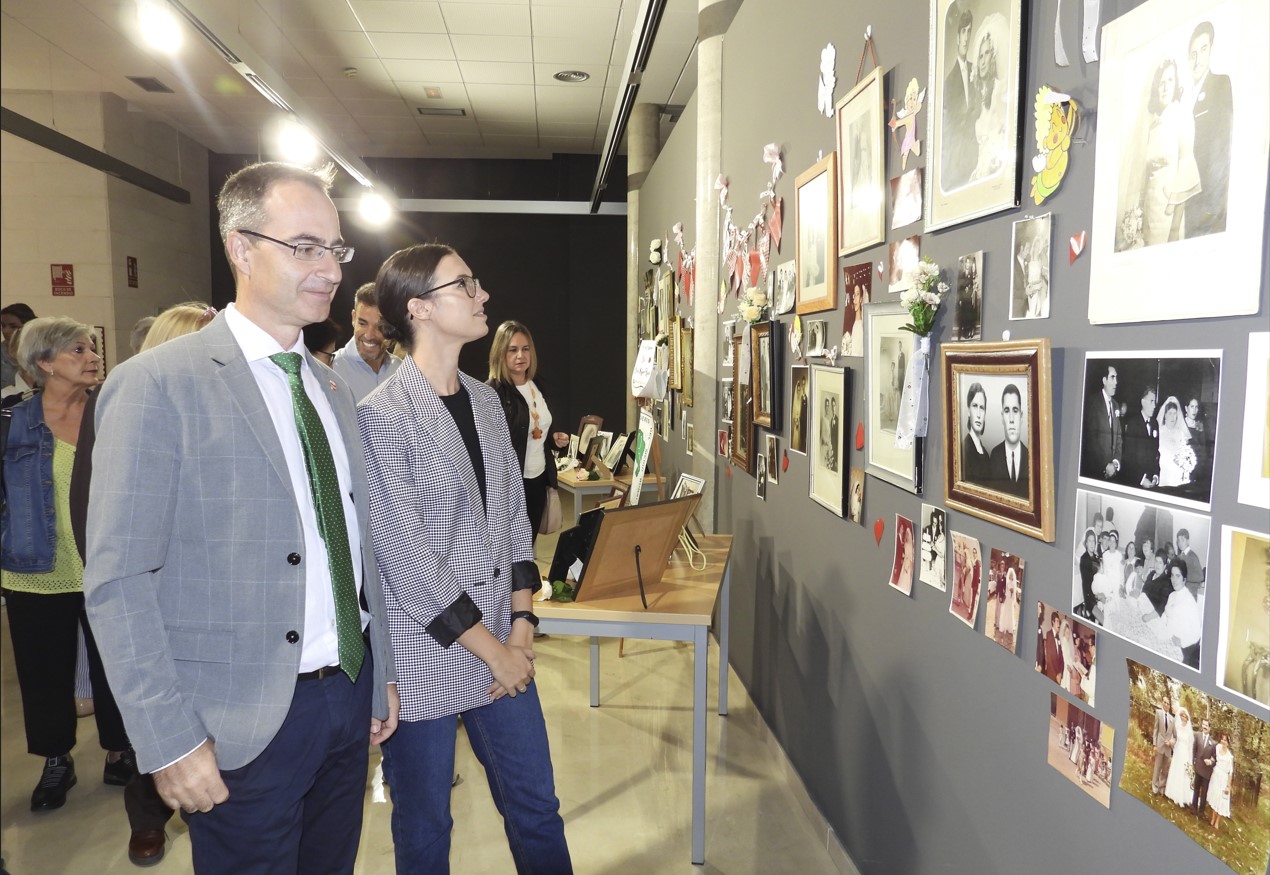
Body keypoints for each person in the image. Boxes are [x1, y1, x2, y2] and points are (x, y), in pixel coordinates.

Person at [85, 161, 399, 873]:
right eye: (305, 246)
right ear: (241, 247)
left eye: (337, 249)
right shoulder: (157, 386)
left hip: (345, 705)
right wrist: (165, 738)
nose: (328, 269)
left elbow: (353, 545)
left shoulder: (330, 388)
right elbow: (118, 581)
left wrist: (377, 672)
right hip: (238, 721)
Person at [358, 243, 573, 874]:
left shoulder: (485, 400)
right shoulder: (383, 416)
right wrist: (498, 651)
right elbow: (410, 561)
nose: (482, 296)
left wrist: (525, 621)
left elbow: (512, 519)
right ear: (420, 308)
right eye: (465, 285)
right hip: (430, 651)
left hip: (506, 639)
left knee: (536, 805)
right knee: (425, 825)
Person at [69, 302, 215, 865]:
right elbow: (94, 524)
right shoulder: (121, 406)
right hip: (151, 611)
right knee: (156, 730)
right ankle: (147, 817)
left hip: (211, 623)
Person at [0, 316, 134, 813]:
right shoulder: (12, 422)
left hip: (108, 567)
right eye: (77, 350)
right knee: (43, 671)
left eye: (92, 348)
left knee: (116, 665)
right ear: (44, 363)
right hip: (34, 570)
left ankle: (119, 750)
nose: (92, 356)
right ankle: (56, 758)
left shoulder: (112, 412)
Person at [487, 320, 569, 542]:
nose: (520, 356)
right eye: (512, 350)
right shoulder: (492, 392)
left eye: (525, 349)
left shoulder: (537, 385)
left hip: (538, 479)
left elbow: (536, 430)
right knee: (510, 549)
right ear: (500, 353)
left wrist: (553, 440)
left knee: (529, 544)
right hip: (511, 484)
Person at [1140, 59, 1200, 246]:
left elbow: (1185, 171)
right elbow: (1147, 175)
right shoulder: (1153, 126)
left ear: (1176, 85)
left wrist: (1174, 229)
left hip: (1169, 213)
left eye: (1170, 80)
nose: (1165, 87)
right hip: (1150, 211)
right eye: (1161, 82)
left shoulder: (1182, 117)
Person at [1185, 22, 1232, 238]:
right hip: (1185, 205)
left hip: (1207, 211)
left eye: (1203, 50)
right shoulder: (1183, 96)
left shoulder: (1220, 84)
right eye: (1193, 53)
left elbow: (1220, 151)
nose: (1198, 59)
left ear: (1211, 49)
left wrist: (1210, 212)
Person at [331, 282, 401, 401]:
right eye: (362, 324)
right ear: (353, 318)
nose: (369, 335)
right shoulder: (332, 370)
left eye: (380, 326)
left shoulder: (400, 369)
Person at [941, 3, 978, 188]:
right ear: (957, 37)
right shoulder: (948, 83)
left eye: (969, 31)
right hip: (960, 162)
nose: (966, 38)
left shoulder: (976, 71)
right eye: (963, 32)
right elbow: (951, 126)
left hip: (977, 152)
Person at [969, 23, 1007, 181]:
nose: (983, 61)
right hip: (978, 177)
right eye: (980, 56)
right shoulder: (978, 97)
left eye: (987, 54)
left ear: (993, 56)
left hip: (994, 174)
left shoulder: (999, 91)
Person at [987, 383, 1029, 498]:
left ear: (1021, 416)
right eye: (1007, 410)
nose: (1011, 419)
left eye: (1015, 410)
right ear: (1002, 417)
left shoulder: (1030, 457)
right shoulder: (994, 456)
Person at [1082, 364, 1123, 480]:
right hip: (1095, 471)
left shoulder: (1116, 405)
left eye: (1116, 378)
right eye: (1112, 377)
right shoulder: (1092, 403)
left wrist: (1115, 462)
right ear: (1104, 380)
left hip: (1113, 472)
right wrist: (1105, 465)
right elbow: (1090, 440)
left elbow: (1119, 437)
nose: (1116, 382)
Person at [1163, 558, 1202, 668]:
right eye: (1172, 575)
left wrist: (1182, 642)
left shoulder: (1189, 601)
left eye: (1178, 576)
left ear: (1184, 579)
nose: (1174, 579)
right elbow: (1166, 615)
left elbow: (1197, 633)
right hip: (1166, 637)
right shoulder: (1172, 595)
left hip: (1178, 648)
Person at [1122, 387, 1160, 489]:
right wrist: (1142, 479)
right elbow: (1128, 457)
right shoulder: (1133, 423)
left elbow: (1156, 453)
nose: (1154, 406)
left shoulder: (1155, 423)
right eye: (1151, 401)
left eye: (1155, 402)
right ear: (1143, 402)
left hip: (1151, 481)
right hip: (1136, 482)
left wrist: (1156, 475)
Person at [1156, 395, 1196, 487]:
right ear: (1165, 415)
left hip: (1177, 472)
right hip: (1163, 471)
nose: (1172, 417)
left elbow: (1185, 453)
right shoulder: (1160, 431)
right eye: (1170, 413)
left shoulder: (1180, 433)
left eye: (1174, 413)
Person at [1, 302, 37, 388]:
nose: (5, 331)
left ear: (29, 326)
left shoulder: (43, 351)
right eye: (3, 325)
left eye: (13, 326)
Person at [1164, 705, 1195, 806]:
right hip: (1177, 752)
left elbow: (1190, 747)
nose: (1183, 718)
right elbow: (1174, 739)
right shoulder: (1177, 727)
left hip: (1185, 754)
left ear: (1188, 718)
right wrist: (1171, 743)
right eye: (1182, 716)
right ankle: (1172, 793)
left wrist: (1190, 762)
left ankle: (1181, 796)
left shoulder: (1190, 732)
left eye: (1185, 717)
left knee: (1182, 773)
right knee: (1175, 771)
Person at [961, 381, 991, 483]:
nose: (978, 414)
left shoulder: (986, 455)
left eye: (982, 408)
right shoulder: (964, 449)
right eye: (975, 406)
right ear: (969, 411)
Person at [1192, 717, 1217, 819]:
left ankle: (1201, 811)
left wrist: (1211, 761)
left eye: (1206, 725)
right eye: (1203, 724)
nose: (1204, 727)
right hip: (1198, 768)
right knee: (1196, 789)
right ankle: (1193, 807)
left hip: (1206, 772)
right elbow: (1194, 750)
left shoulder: (1213, 743)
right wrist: (1193, 761)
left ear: (1210, 728)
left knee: (1204, 792)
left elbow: (1215, 758)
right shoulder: (1197, 736)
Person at [1207, 733, 1233, 829]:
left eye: (1225, 740)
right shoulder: (1217, 747)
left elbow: (1230, 772)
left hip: (1223, 779)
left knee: (1221, 800)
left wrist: (1228, 786)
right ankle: (1213, 818)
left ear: (1228, 743)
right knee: (1215, 798)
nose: (1223, 741)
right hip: (1215, 776)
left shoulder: (1229, 757)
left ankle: (1217, 821)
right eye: (1222, 739)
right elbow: (1213, 757)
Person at [1151, 694, 1176, 795]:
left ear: (1169, 706)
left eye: (1168, 703)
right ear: (1162, 703)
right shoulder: (1158, 713)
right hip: (1159, 745)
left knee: (1165, 769)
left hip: (1168, 748)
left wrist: (1171, 742)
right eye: (1165, 702)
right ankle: (1154, 787)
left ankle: (1161, 787)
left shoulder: (1172, 719)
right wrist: (1154, 745)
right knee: (1157, 767)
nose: (1166, 704)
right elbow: (1155, 730)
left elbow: (1175, 736)